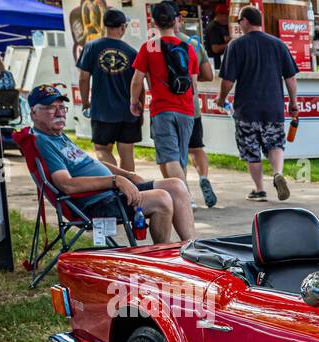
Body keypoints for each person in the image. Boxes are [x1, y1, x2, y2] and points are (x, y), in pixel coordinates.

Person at [27, 85, 194, 244]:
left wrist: (127, 175)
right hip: (96, 204)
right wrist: (116, 181)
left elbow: (91, 163)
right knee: (161, 199)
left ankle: (192, 248)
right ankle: (162, 260)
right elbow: (67, 185)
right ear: (33, 113)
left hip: (110, 193)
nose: (59, 112)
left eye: (62, 107)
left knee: (176, 186)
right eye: (51, 107)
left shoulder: (58, 136)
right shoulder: (43, 141)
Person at [218, 5, 299, 202]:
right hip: (274, 107)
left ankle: (259, 190)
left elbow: (228, 80)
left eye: (239, 21)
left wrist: (221, 99)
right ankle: (278, 173)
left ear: (245, 21)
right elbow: (290, 77)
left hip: (247, 109)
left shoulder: (236, 46)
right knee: (275, 144)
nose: (239, 25)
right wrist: (293, 102)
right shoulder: (278, 44)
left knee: (251, 150)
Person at [130, 3, 198, 188]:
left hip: (162, 109)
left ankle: (184, 199)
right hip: (186, 111)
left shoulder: (149, 47)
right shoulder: (188, 48)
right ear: (175, 20)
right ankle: (178, 198)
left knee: (170, 157)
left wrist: (134, 102)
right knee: (180, 159)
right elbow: (193, 84)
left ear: (154, 22)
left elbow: (137, 80)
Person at [78, 10, 140, 174]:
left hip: (102, 110)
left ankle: (117, 185)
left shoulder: (91, 47)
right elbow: (139, 83)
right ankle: (130, 188)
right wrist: (139, 104)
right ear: (122, 27)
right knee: (126, 152)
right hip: (128, 110)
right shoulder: (132, 52)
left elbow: (84, 78)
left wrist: (85, 103)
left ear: (103, 26)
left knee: (102, 149)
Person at [175, 25, 217, 209]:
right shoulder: (193, 43)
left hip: (166, 108)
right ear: (179, 19)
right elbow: (208, 75)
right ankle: (203, 177)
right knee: (196, 147)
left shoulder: (153, 45)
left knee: (176, 154)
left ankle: (186, 195)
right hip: (191, 107)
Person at [205, 3, 232, 71]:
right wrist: (232, 43)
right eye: (226, 16)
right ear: (219, 14)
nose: (227, 18)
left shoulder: (224, 25)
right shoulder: (212, 27)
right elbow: (215, 49)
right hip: (216, 66)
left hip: (225, 63)